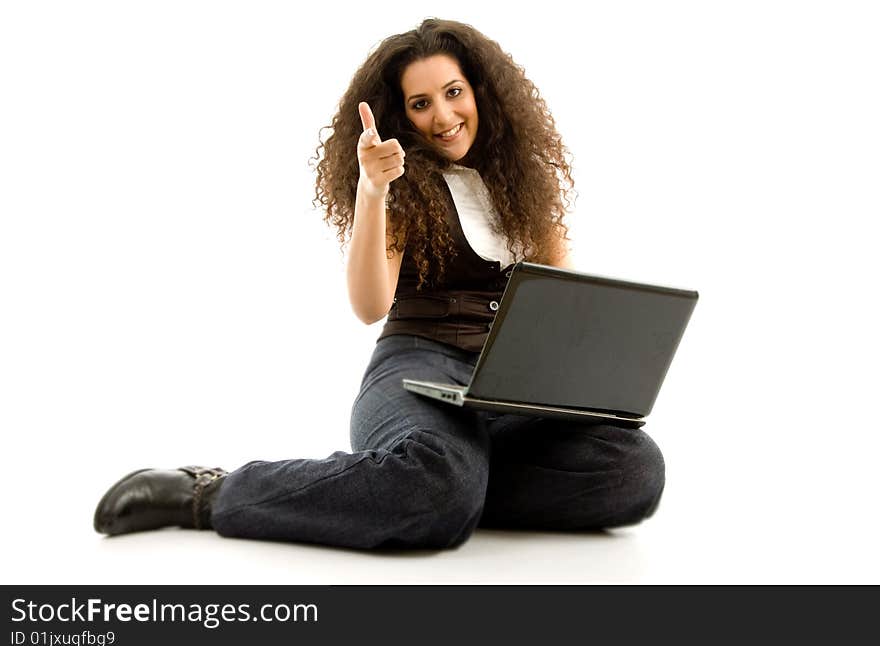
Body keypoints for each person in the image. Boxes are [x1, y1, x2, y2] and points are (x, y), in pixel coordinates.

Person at [93, 18, 665, 550]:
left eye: (453, 92)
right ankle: (214, 493)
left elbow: (560, 309)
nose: (442, 116)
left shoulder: (524, 190)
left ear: (482, 92)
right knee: (438, 476)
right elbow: (369, 306)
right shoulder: (402, 185)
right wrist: (372, 192)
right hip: (418, 373)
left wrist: (591, 390)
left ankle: (443, 491)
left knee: (632, 468)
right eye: (421, 104)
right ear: (401, 116)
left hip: (503, 391)